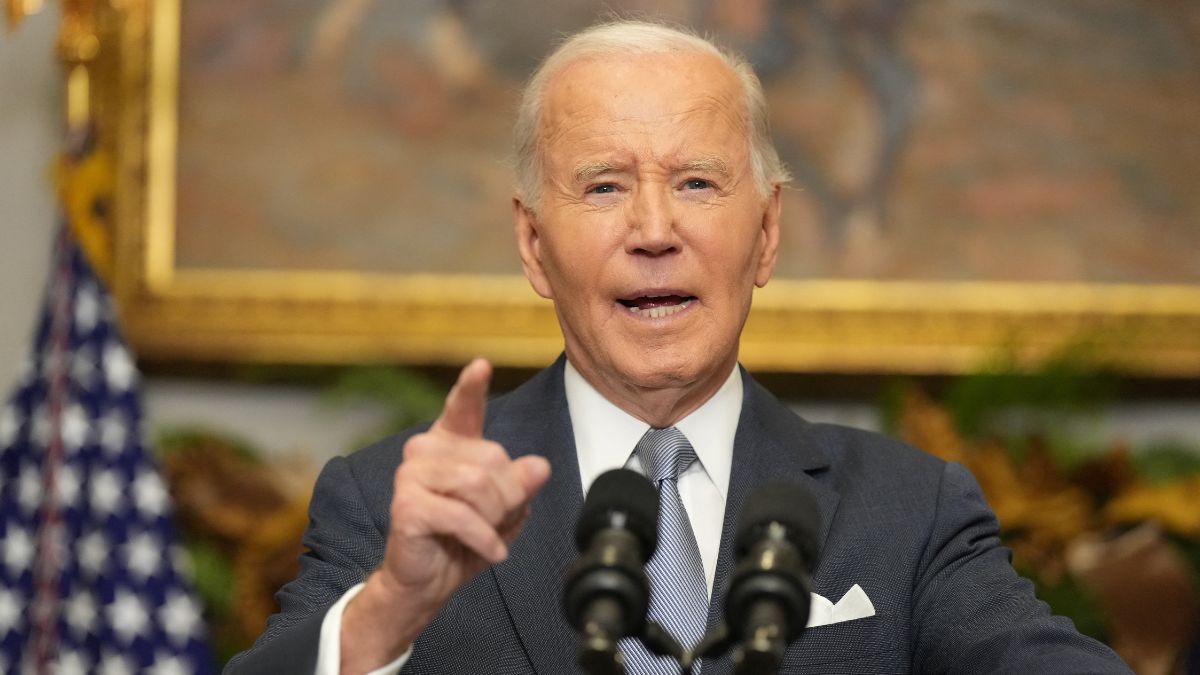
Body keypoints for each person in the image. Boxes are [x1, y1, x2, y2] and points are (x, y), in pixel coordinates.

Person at [227, 20, 1131, 675]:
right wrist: (390, 608)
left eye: (697, 182)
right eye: (605, 185)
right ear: (534, 244)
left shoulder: (911, 510)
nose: (654, 229)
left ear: (768, 233)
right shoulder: (390, 507)